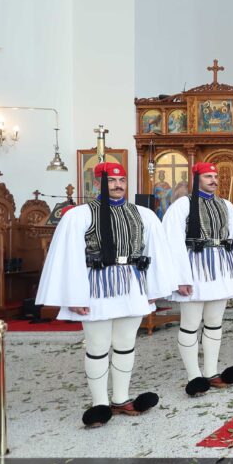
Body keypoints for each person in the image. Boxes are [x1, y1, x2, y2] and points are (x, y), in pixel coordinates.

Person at [37, 162, 176, 428]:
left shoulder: (143, 214)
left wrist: (152, 291)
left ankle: (121, 399)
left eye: (122, 179)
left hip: (132, 285)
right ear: (99, 183)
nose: (118, 184)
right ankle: (100, 404)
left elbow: (154, 254)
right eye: (111, 180)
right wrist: (75, 296)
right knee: (98, 347)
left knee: (126, 343)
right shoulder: (79, 215)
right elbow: (70, 258)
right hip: (96, 288)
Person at [163, 162, 233, 396]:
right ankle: (194, 376)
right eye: (208, 176)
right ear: (196, 178)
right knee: (190, 324)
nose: (213, 180)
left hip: (220, 270)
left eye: (215, 176)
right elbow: (172, 242)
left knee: (214, 321)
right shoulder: (182, 206)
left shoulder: (226, 205)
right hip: (194, 271)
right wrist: (181, 277)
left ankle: (210, 372)